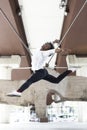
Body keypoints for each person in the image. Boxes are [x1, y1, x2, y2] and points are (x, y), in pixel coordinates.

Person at [7, 41, 75, 97]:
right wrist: (54, 42)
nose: (44, 45)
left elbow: (55, 50)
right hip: (43, 71)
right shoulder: (38, 49)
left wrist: (62, 50)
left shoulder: (46, 52)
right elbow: (50, 44)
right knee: (56, 80)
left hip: (40, 72)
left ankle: (18, 92)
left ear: (48, 49)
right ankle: (70, 70)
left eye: (46, 46)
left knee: (30, 81)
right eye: (45, 44)